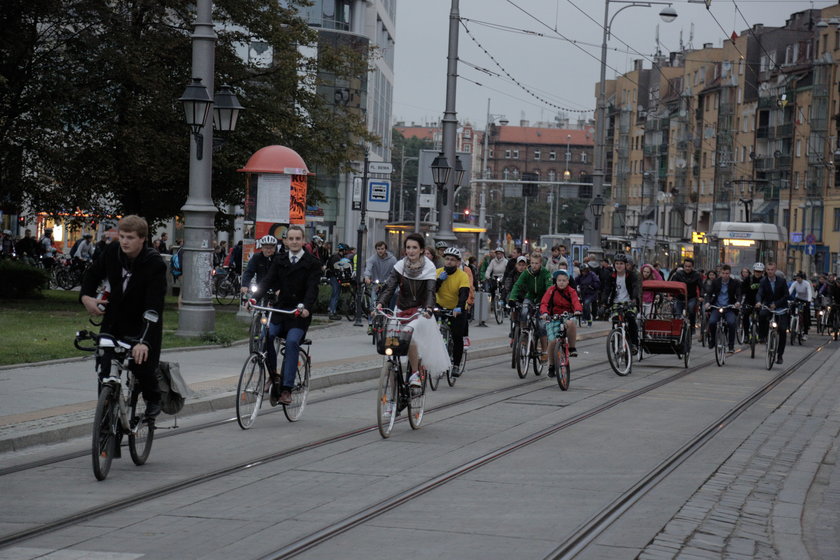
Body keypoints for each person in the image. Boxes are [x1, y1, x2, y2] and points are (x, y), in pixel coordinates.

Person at [79, 215, 166, 421]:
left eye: (130, 237)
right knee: (105, 368)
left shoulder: (154, 263)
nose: (125, 241)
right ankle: (106, 426)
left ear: (142, 239)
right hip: (114, 321)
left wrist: (143, 341)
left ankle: (154, 398)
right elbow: (92, 274)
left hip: (144, 324)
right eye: (122, 236)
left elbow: (154, 306)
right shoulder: (112, 252)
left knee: (142, 367)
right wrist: (86, 297)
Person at [253, 226, 321, 406]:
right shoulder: (279, 259)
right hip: (281, 310)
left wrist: (306, 307)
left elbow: (312, 288)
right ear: (285, 241)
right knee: (267, 336)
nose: (294, 242)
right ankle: (274, 376)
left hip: (299, 314)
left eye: (298, 238)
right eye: (291, 239)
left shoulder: (312, 262)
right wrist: (253, 298)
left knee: (291, 342)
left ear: (303, 240)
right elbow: (267, 280)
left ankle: (286, 389)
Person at [377, 233, 437, 388]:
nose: (410, 251)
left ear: (422, 250)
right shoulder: (400, 265)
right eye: (408, 247)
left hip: (420, 311)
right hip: (401, 309)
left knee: (409, 336)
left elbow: (430, 292)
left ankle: (415, 373)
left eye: (414, 248)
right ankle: (391, 392)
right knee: (389, 342)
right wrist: (380, 304)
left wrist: (429, 309)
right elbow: (389, 286)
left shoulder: (429, 268)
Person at [509, 252, 552, 364]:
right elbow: (517, 285)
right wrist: (512, 298)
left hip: (542, 299)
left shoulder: (545, 273)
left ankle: (544, 352)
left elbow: (549, 288)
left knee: (541, 326)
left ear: (540, 263)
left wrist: (547, 302)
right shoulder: (526, 273)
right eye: (532, 263)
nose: (534, 265)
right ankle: (524, 336)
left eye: (536, 263)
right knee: (523, 311)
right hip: (530, 297)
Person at [435, 247, 470, 376]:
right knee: (434, 334)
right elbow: (431, 291)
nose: (449, 262)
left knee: (457, 336)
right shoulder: (438, 272)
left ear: (458, 263)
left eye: (452, 260)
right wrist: (439, 281)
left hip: (457, 308)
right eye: (447, 259)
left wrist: (459, 307)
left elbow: (464, 293)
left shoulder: (462, 275)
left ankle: (456, 364)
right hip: (440, 306)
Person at [541, 269, 583, 379]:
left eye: (564, 280)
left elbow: (576, 302)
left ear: (568, 281)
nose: (561, 282)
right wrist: (545, 313)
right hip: (553, 318)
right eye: (559, 280)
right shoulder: (551, 290)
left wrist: (577, 310)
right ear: (555, 281)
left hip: (566, 316)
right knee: (552, 341)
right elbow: (544, 303)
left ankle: (572, 348)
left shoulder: (571, 291)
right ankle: (551, 365)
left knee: (571, 323)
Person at [606, 253, 641, 352]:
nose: (619, 266)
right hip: (616, 303)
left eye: (621, 263)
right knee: (615, 320)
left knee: (630, 318)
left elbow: (635, 287)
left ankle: (634, 343)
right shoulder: (611, 276)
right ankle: (615, 339)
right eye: (617, 263)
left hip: (629, 302)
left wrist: (634, 299)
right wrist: (604, 304)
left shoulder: (631, 275)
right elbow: (606, 290)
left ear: (625, 265)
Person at [756, 262, 789, 364]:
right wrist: (758, 301)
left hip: (781, 307)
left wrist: (777, 304)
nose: (770, 272)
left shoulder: (782, 281)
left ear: (775, 270)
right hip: (768, 306)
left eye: (772, 270)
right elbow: (760, 293)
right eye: (768, 270)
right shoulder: (763, 281)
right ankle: (763, 336)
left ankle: (780, 355)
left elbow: (786, 295)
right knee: (762, 315)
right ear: (766, 270)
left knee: (783, 330)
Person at [706, 264, 741, 352]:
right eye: (723, 273)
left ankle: (731, 346)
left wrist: (737, 302)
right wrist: (707, 302)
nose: (725, 275)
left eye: (727, 273)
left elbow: (738, 294)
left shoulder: (735, 283)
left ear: (730, 273)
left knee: (731, 322)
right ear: (720, 273)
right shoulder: (715, 282)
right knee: (712, 322)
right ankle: (713, 340)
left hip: (729, 308)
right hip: (717, 307)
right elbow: (709, 293)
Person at [363, 241, 397, 326]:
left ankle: (390, 315)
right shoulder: (372, 259)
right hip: (376, 284)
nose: (380, 251)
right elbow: (368, 269)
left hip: (389, 284)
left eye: (382, 249)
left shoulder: (392, 260)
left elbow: (395, 272)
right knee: (373, 303)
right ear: (376, 250)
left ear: (385, 249)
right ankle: (371, 323)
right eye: (378, 249)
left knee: (394, 295)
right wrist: (367, 277)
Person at [670, 257, 704, 331]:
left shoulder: (696, 275)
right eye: (686, 266)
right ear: (683, 266)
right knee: (677, 313)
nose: (687, 268)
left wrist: (701, 296)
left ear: (692, 267)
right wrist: (671, 295)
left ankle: (692, 327)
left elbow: (701, 287)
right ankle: (677, 330)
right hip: (680, 297)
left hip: (691, 297)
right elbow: (673, 285)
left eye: (689, 266)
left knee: (691, 309)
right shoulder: (678, 274)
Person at [326, 243, 351, 320]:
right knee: (335, 294)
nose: (347, 252)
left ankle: (331, 309)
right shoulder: (336, 257)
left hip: (335, 277)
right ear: (343, 250)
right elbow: (336, 268)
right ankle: (332, 312)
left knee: (336, 294)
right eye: (346, 250)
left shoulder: (338, 256)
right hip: (334, 277)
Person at [740, 263, 765, 336]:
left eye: (760, 271)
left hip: (761, 301)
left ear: (762, 272)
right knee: (745, 316)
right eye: (756, 271)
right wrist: (749, 288)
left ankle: (761, 335)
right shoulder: (749, 279)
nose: (758, 273)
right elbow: (742, 289)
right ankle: (746, 335)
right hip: (749, 300)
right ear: (754, 271)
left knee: (762, 316)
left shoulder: (764, 280)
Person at [788, 271, 814, 340]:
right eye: (797, 278)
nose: (798, 280)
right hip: (798, 298)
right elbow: (790, 291)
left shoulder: (806, 284)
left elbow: (809, 292)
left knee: (805, 315)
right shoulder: (795, 283)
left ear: (802, 278)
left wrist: (809, 300)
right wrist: (786, 297)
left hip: (805, 300)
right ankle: (792, 319)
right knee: (791, 307)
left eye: (799, 278)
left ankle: (805, 333)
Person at [577, 261, 601, 326]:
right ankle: (588, 318)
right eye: (582, 271)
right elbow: (575, 281)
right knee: (584, 305)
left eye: (585, 271)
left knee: (587, 303)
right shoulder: (580, 276)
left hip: (591, 293)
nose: (584, 272)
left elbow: (597, 282)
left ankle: (585, 318)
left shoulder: (592, 274)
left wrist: (592, 286)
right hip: (583, 293)